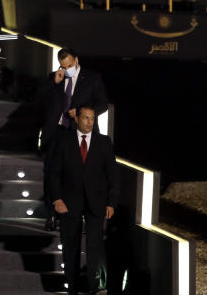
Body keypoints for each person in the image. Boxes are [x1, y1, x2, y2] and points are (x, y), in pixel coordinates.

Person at [49, 105, 119, 295]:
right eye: (86, 118)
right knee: (70, 246)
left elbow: (112, 176)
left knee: (95, 246)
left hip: (96, 202)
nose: (89, 122)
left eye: (92, 118)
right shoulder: (63, 140)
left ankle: (96, 287)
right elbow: (53, 173)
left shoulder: (104, 142)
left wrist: (111, 202)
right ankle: (72, 286)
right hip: (69, 202)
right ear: (77, 119)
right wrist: (56, 199)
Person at [40, 47, 108, 231]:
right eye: (63, 65)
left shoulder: (92, 78)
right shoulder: (55, 77)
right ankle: (51, 215)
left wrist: (80, 113)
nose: (66, 68)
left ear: (76, 61)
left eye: (69, 65)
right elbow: (40, 99)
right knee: (52, 173)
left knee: (80, 175)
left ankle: (81, 216)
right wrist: (54, 82)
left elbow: (102, 104)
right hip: (57, 132)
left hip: (79, 133)